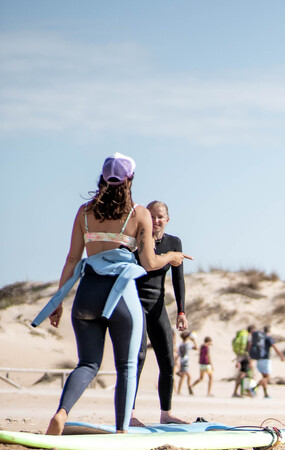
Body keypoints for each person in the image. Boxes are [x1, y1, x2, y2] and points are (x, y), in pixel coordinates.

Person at [32, 153, 189, 435]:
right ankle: (121, 431)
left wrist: (57, 302)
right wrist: (173, 257)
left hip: (87, 292)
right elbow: (150, 263)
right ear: (130, 180)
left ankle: (62, 412)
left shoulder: (84, 212)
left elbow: (71, 259)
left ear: (103, 178)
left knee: (88, 363)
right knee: (127, 365)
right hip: (121, 295)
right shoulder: (138, 213)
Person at [128, 200, 189, 425]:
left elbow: (178, 279)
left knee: (168, 360)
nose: (156, 220)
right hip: (134, 304)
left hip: (157, 306)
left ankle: (166, 413)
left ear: (167, 219)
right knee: (138, 358)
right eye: (151, 216)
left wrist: (181, 311)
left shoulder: (174, 243)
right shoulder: (135, 241)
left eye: (160, 216)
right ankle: (130, 414)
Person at [248, 325, 285, 398]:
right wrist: (281, 356)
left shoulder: (259, 338)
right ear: (269, 331)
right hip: (265, 360)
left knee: (264, 377)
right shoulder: (268, 338)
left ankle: (266, 394)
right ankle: (253, 388)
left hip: (259, 359)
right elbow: (275, 347)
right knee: (268, 378)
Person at [232, 324, 256, 398]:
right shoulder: (248, 337)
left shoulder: (242, 336)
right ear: (252, 331)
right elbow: (249, 347)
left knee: (243, 374)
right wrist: (250, 357)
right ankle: (247, 392)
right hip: (246, 357)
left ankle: (239, 392)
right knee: (246, 374)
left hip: (241, 356)